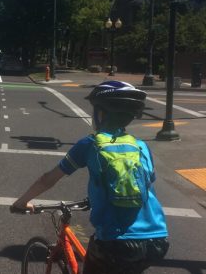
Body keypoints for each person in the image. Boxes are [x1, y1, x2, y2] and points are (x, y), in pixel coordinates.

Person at [11, 81, 169, 274]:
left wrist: (21, 202)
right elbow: (143, 185)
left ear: (100, 113)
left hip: (116, 242)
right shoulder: (141, 146)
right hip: (156, 239)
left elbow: (48, 179)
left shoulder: (90, 144)